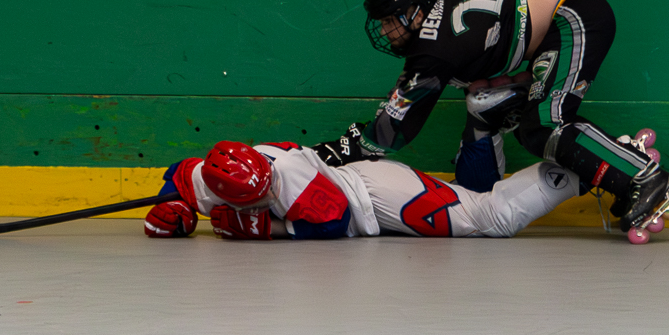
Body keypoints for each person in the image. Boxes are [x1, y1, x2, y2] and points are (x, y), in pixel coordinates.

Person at [314, 0, 669, 233]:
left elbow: (394, 129)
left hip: (573, 16)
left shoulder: (431, 49)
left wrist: (344, 149)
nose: (383, 29)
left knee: (545, 123)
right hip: (551, 31)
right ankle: (483, 197)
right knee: (491, 110)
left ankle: (643, 176)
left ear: (413, 12)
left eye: (388, 19)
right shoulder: (434, 25)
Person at [142, 139, 579, 240]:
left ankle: (579, 169)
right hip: (360, 186)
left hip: (375, 196)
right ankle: (487, 132)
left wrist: (261, 228)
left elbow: (335, 223)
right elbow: (177, 176)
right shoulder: (212, 175)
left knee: (491, 219)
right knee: (477, 201)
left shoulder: (290, 173)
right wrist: (173, 209)